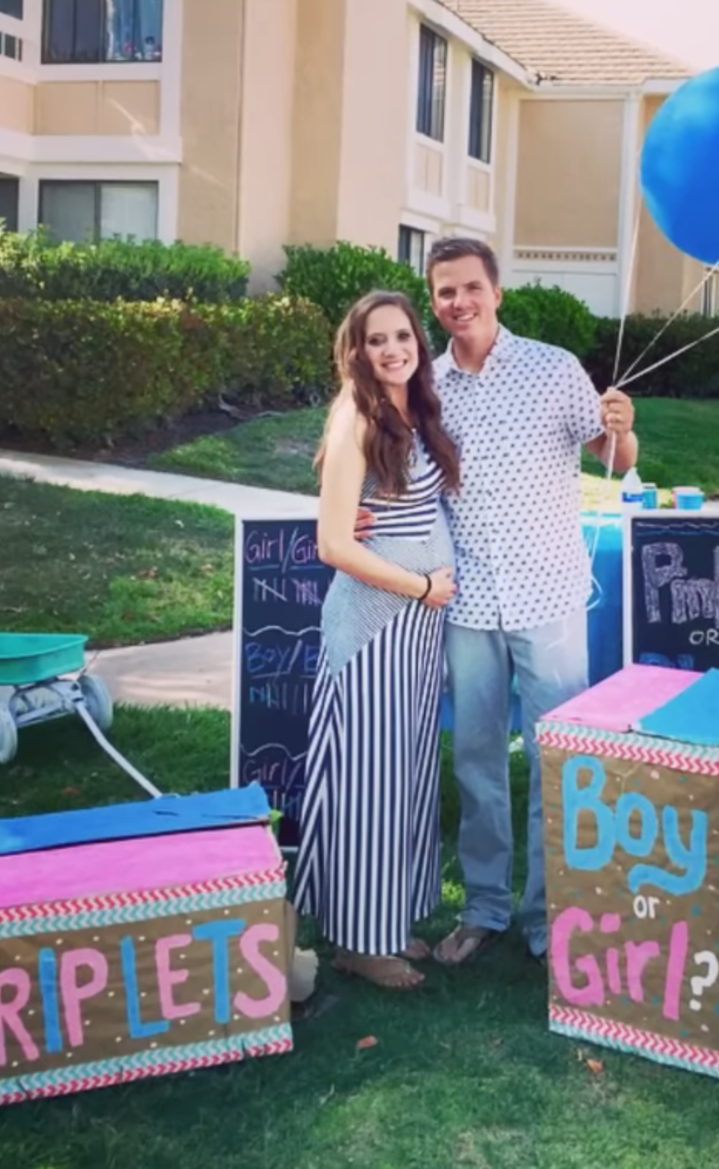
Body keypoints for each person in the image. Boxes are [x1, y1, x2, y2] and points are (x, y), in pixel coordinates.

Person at [423, 237, 638, 966]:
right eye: (445, 291)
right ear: (434, 299)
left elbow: (614, 457)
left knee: (558, 758)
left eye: (470, 287)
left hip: (549, 593)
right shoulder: (426, 385)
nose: (459, 302)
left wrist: (623, 428)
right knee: (477, 758)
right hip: (469, 600)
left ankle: (552, 916)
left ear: (496, 291)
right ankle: (483, 907)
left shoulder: (553, 367)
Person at [291, 290, 459, 991]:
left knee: (405, 775)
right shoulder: (356, 416)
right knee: (367, 779)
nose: (393, 349)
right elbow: (333, 542)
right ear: (354, 351)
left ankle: (390, 919)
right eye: (376, 340)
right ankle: (359, 942)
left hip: (417, 629)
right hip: (376, 625)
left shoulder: (410, 410)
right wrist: (419, 587)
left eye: (402, 335)